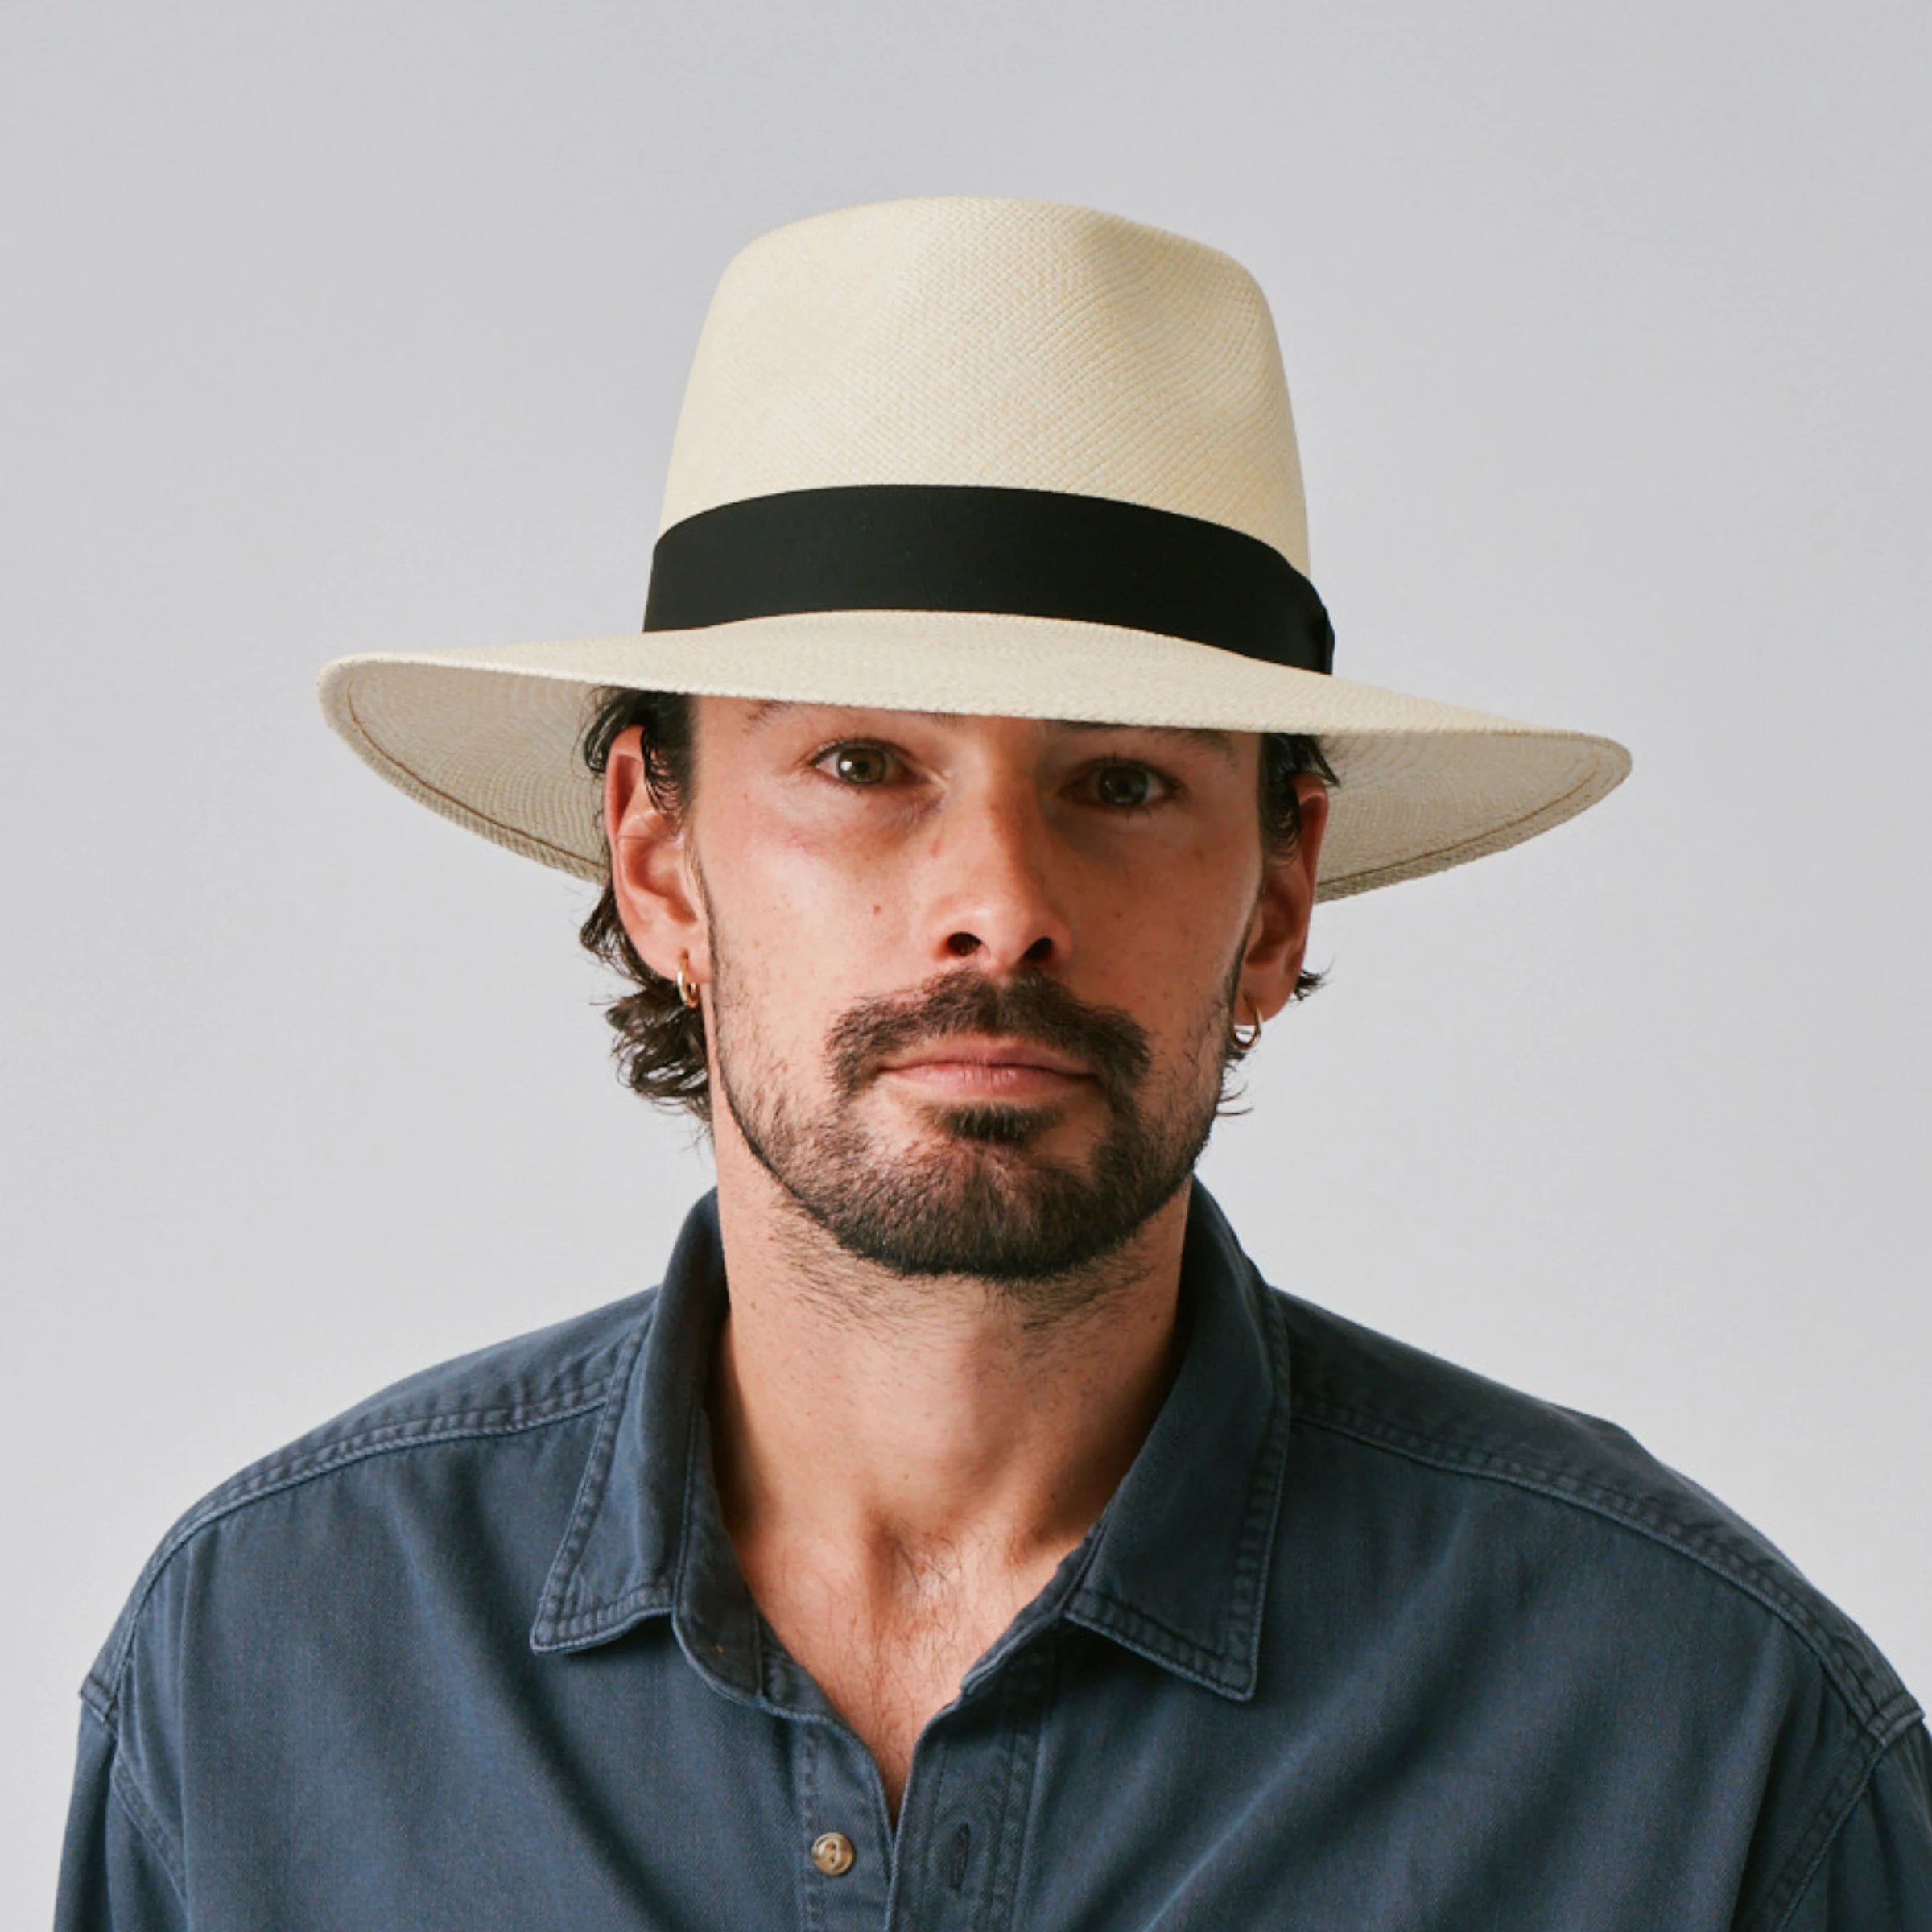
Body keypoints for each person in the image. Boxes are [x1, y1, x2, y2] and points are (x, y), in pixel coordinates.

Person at [56, 197, 1930, 1930]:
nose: (1001, 907)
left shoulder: (1703, 1733)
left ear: (1279, 890)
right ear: (655, 854)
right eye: (865, 767)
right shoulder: (263, 1672)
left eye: (1122, 781)